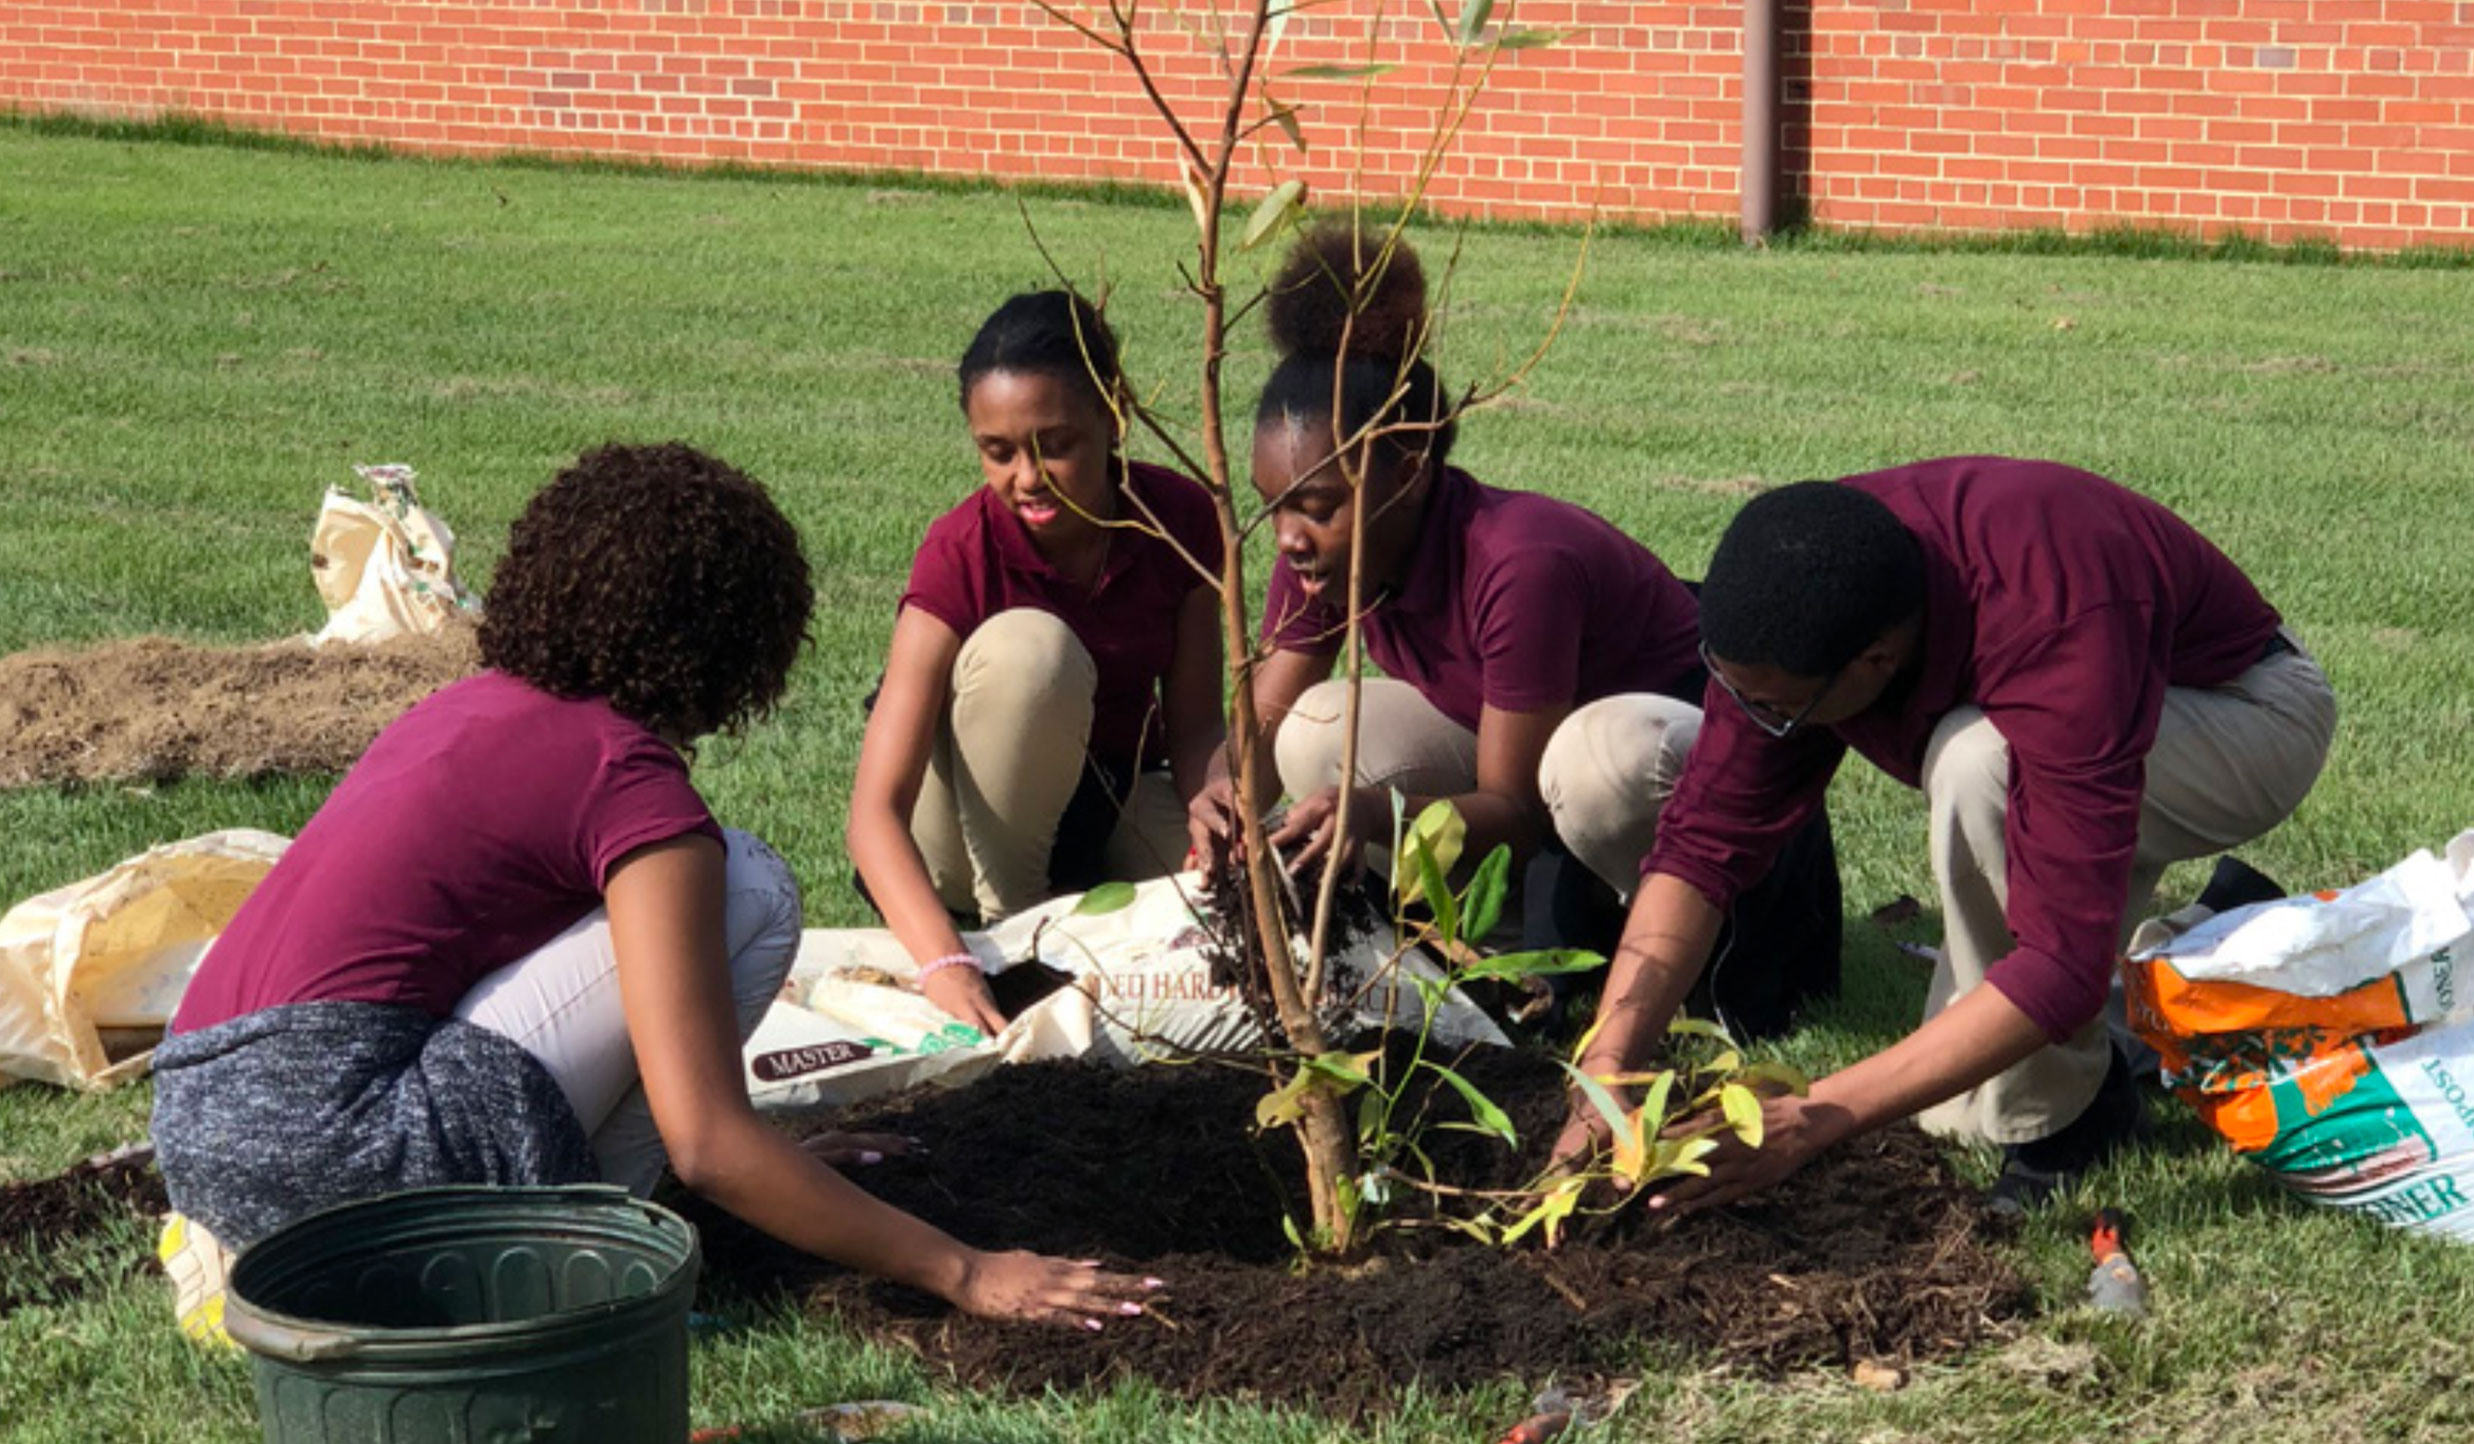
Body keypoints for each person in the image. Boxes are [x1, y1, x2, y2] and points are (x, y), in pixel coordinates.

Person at [152, 443, 1153, 1329]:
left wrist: (765, 1159)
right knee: (750, 887)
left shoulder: (462, 709)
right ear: (736, 642)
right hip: (346, 1152)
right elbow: (709, 1138)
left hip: (204, 1138)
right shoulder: (627, 781)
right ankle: (598, 1250)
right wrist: (966, 1270)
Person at [1553, 456, 2338, 1213]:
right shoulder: (1808, 573)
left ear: (1875, 661)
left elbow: (2058, 966)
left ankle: (2073, 1115)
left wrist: (1815, 1116)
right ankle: (2197, 944)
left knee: (1982, 764)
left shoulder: (2048, 613)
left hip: (2249, 713)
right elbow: (1700, 847)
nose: (1757, 719)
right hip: (2111, 701)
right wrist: (1609, 1064)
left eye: (1779, 708)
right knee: (1985, 766)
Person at [1189, 227, 1835, 1022]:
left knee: (1593, 760)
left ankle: (1669, 951)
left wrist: (1374, 813)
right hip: (1543, 779)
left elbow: (1519, 809)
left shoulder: (1519, 561)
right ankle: (1487, 943)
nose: (1287, 537)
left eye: (1316, 506)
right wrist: (1223, 791)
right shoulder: (1324, 549)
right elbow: (1263, 719)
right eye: (1274, 506)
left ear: (1409, 473)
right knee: (1316, 730)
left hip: (1690, 782)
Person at [847, 291, 1225, 1034]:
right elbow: (874, 813)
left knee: (1233, 905)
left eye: (1055, 445)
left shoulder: (1177, 520)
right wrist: (943, 961)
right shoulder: (959, 552)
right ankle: (1016, 939)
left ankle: (1073, 902)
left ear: (1115, 416)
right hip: (961, 837)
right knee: (1034, 652)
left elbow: (1196, 726)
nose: (1027, 477)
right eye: (999, 452)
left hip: (1103, 801)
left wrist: (1219, 806)